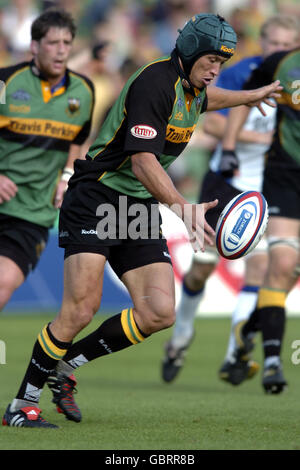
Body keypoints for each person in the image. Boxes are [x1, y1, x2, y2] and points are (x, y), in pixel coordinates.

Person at [2, 13, 282, 429]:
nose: (215, 70)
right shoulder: (155, 82)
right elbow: (143, 159)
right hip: (97, 195)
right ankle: (22, 404)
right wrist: (181, 207)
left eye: (221, 63)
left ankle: (65, 368)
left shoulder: (193, 88)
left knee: (158, 312)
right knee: (80, 309)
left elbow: (211, 99)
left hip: (134, 206)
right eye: (210, 61)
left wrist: (248, 96)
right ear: (189, 53)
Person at [161, 14, 300, 385]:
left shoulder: (293, 79)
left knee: (257, 268)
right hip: (227, 181)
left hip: (266, 187)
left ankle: (232, 356)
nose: (279, 51)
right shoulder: (241, 74)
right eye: (274, 44)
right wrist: (244, 143)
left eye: (287, 45)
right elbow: (211, 121)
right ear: (263, 43)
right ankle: (181, 335)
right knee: (203, 267)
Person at [220, 44, 300, 394]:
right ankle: (272, 361)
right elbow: (244, 98)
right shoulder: (282, 63)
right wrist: (228, 146)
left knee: (290, 273)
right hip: (286, 176)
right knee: (282, 263)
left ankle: (248, 330)